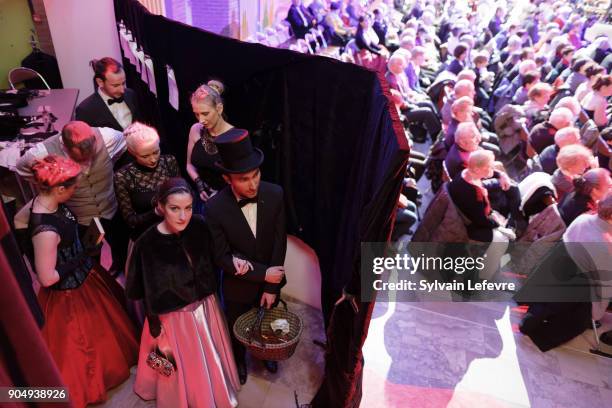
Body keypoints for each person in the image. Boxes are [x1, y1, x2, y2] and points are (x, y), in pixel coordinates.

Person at [26, 155, 138, 408]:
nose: (76, 190)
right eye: (73, 186)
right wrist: (83, 254)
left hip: (85, 279)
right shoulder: (45, 231)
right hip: (67, 295)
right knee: (80, 354)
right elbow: (46, 277)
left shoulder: (51, 203)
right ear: (59, 189)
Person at [126, 178, 240, 408]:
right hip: (173, 319)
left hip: (204, 307)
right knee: (178, 364)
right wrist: (155, 322)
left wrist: (234, 262)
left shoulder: (199, 225)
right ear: (160, 207)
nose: (182, 217)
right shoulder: (145, 244)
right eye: (174, 209)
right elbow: (140, 289)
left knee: (208, 357)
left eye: (188, 208)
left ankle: (211, 391)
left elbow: (217, 256)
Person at [206, 129, 287, 385]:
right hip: (238, 285)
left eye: (256, 175)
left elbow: (279, 243)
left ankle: (266, 353)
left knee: (268, 322)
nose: (253, 184)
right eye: (243, 179)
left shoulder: (275, 194)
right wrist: (263, 273)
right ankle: (240, 359)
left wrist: (271, 285)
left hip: (270, 282)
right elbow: (221, 256)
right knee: (238, 327)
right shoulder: (214, 208)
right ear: (227, 179)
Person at [17, 121, 129, 274]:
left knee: (120, 246)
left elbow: (124, 145)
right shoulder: (42, 152)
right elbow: (21, 167)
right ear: (66, 148)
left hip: (111, 208)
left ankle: (118, 267)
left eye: (91, 156)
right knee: (89, 259)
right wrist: (51, 179)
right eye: (81, 159)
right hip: (81, 217)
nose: (87, 163)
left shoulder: (108, 136)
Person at [447, 150, 514, 280]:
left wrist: (500, 174)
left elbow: (481, 215)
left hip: (468, 217)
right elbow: (481, 221)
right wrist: (497, 222)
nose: (492, 169)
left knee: (503, 231)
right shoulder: (473, 193)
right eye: (489, 166)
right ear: (477, 169)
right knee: (502, 240)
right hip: (467, 226)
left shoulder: (464, 173)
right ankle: (484, 276)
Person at [114, 122, 180, 241]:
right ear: (132, 152)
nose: (153, 159)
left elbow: (183, 192)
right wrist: (156, 212)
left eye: (156, 152)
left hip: (176, 230)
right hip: (147, 237)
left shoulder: (169, 162)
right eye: (145, 156)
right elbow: (130, 221)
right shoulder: (123, 176)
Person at [186, 81, 233, 205]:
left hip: (229, 200)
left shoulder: (234, 137)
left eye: (205, 114)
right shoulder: (195, 129)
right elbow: (189, 165)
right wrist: (200, 184)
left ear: (219, 108)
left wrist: (220, 195)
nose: (201, 120)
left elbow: (242, 180)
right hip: (204, 199)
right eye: (196, 114)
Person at [76, 57, 140, 131]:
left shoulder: (130, 94)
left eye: (123, 83)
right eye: (115, 85)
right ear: (100, 82)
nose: (122, 90)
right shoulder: (85, 109)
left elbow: (139, 123)